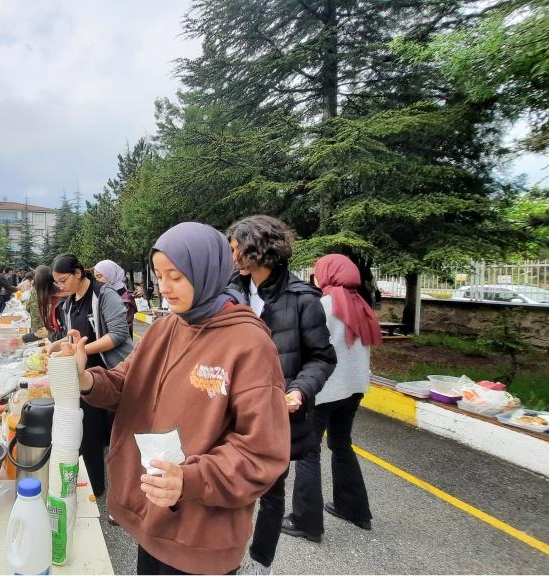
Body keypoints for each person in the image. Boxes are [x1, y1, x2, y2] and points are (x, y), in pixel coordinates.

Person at [71, 222, 290, 575]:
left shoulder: (248, 344)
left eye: (175, 275)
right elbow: (126, 383)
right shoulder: (165, 327)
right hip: (154, 515)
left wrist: (190, 480)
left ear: (206, 271)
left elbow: (262, 450)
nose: (163, 287)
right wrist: (83, 378)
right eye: (159, 276)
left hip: (201, 534)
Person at [226, 215, 337, 575]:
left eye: (234, 248)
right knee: (229, 486)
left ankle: (260, 563)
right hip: (232, 410)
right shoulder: (232, 292)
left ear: (255, 250)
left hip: (279, 415)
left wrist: (299, 390)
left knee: (271, 494)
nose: (231, 257)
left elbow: (322, 357)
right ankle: (227, 558)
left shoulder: (302, 298)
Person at [283, 254, 380, 541]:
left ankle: (306, 522)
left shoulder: (322, 305)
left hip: (323, 391)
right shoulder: (362, 304)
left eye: (317, 272)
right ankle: (355, 509)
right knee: (341, 445)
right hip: (354, 388)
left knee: (308, 452)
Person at [50, 254, 133, 498]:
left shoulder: (104, 295)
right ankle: (93, 486)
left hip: (109, 373)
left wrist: (81, 350)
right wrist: (57, 346)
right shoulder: (68, 303)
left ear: (78, 273)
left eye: (63, 280)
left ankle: (112, 491)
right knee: (86, 432)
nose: (60, 286)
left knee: (115, 436)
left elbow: (118, 335)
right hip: (82, 375)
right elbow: (75, 336)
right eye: (57, 282)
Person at [94, 260, 137, 336]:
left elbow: (121, 326)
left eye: (99, 276)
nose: (97, 280)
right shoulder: (103, 294)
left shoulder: (126, 298)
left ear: (111, 274)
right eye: (96, 278)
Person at [21, 265, 62, 343]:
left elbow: (28, 307)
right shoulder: (58, 293)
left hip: (47, 332)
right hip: (52, 332)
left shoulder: (35, 290)